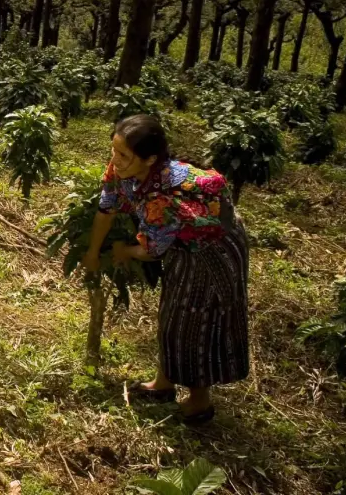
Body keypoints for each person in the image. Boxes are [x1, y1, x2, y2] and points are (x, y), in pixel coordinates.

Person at [82, 114, 249, 424]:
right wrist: (92, 252)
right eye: (114, 151)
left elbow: (152, 249)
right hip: (185, 246)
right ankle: (164, 383)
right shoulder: (123, 168)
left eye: (123, 155)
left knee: (195, 321)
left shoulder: (162, 196)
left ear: (151, 160)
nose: (115, 160)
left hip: (213, 252)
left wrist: (123, 251)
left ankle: (200, 401)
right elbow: (106, 206)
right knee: (172, 313)